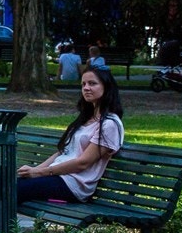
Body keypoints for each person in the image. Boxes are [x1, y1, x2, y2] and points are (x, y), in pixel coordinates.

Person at [17, 66, 123, 203]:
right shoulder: (85, 119)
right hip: (57, 176)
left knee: (11, 189)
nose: (86, 88)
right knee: (2, 185)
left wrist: (39, 173)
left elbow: (82, 163)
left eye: (92, 83)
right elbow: (63, 152)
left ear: (107, 87)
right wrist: (35, 170)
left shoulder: (109, 124)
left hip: (73, 185)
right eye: (83, 84)